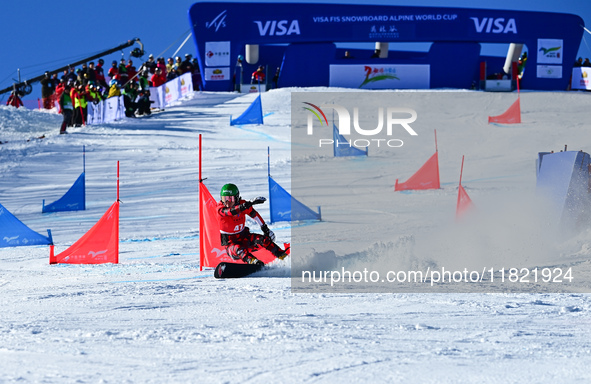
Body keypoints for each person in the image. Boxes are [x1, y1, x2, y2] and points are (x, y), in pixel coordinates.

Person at [217, 183, 288, 265]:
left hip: (244, 238)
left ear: (236, 198)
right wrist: (246, 205)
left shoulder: (242, 204)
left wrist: (265, 229)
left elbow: (255, 215)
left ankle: (284, 257)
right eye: (224, 198)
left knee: (264, 240)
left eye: (230, 199)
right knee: (239, 249)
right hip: (231, 245)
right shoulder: (220, 208)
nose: (227, 202)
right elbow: (230, 212)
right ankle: (253, 262)